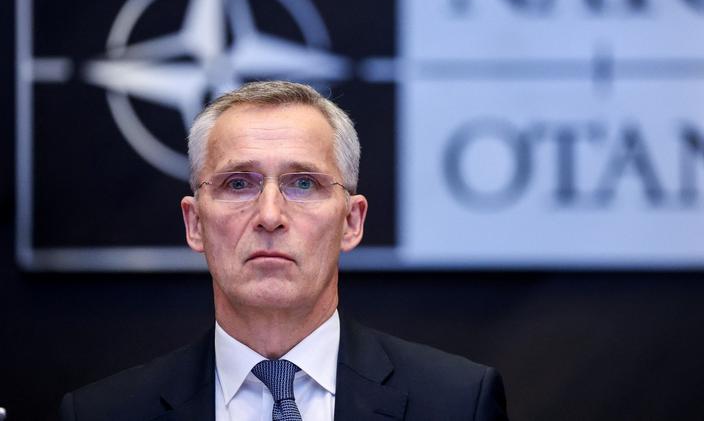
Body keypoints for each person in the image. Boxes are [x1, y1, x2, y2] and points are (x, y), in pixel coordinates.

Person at [60, 81, 509, 421]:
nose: (270, 215)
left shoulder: (457, 403)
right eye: (239, 183)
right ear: (194, 223)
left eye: (303, 184)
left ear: (351, 221)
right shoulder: (103, 413)